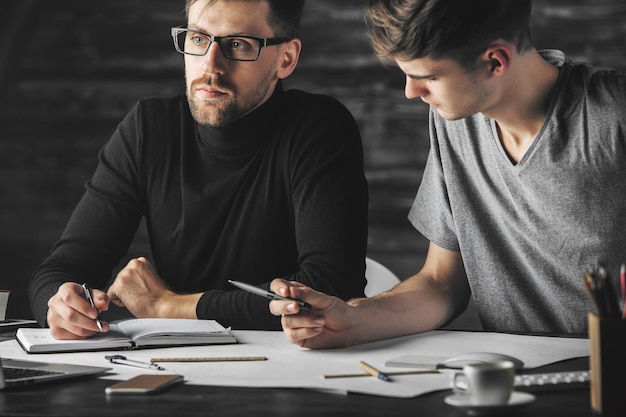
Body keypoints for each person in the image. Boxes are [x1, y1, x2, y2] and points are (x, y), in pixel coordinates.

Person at [269, 0, 626, 349]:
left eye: (428, 77)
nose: (411, 92)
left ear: (495, 61)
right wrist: (351, 319)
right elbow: (442, 282)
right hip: (515, 376)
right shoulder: (455, 120)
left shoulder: (613, 115)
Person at [29, 0, 369, 339]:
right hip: (176, 369)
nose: (210, 65)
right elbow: (63, 267)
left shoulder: (319, 129)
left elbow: (330, 290)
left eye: (237, 45)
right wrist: (60, 304)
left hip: (295, 369)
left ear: (286, 58)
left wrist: (168, 307)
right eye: (197, 39)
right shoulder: (149, 129)